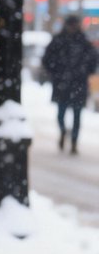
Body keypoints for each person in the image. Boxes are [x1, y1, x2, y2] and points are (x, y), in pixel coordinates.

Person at [41, 14, 98, 155]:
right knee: (61, 114)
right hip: (63, 83)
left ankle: (74, 141)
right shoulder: (59, 40)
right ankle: (63, 131)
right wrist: (56, 71)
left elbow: (94, 59)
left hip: (77, 83)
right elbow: (47, 59)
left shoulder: (83, 42)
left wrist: (85, 71)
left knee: (77, 115)